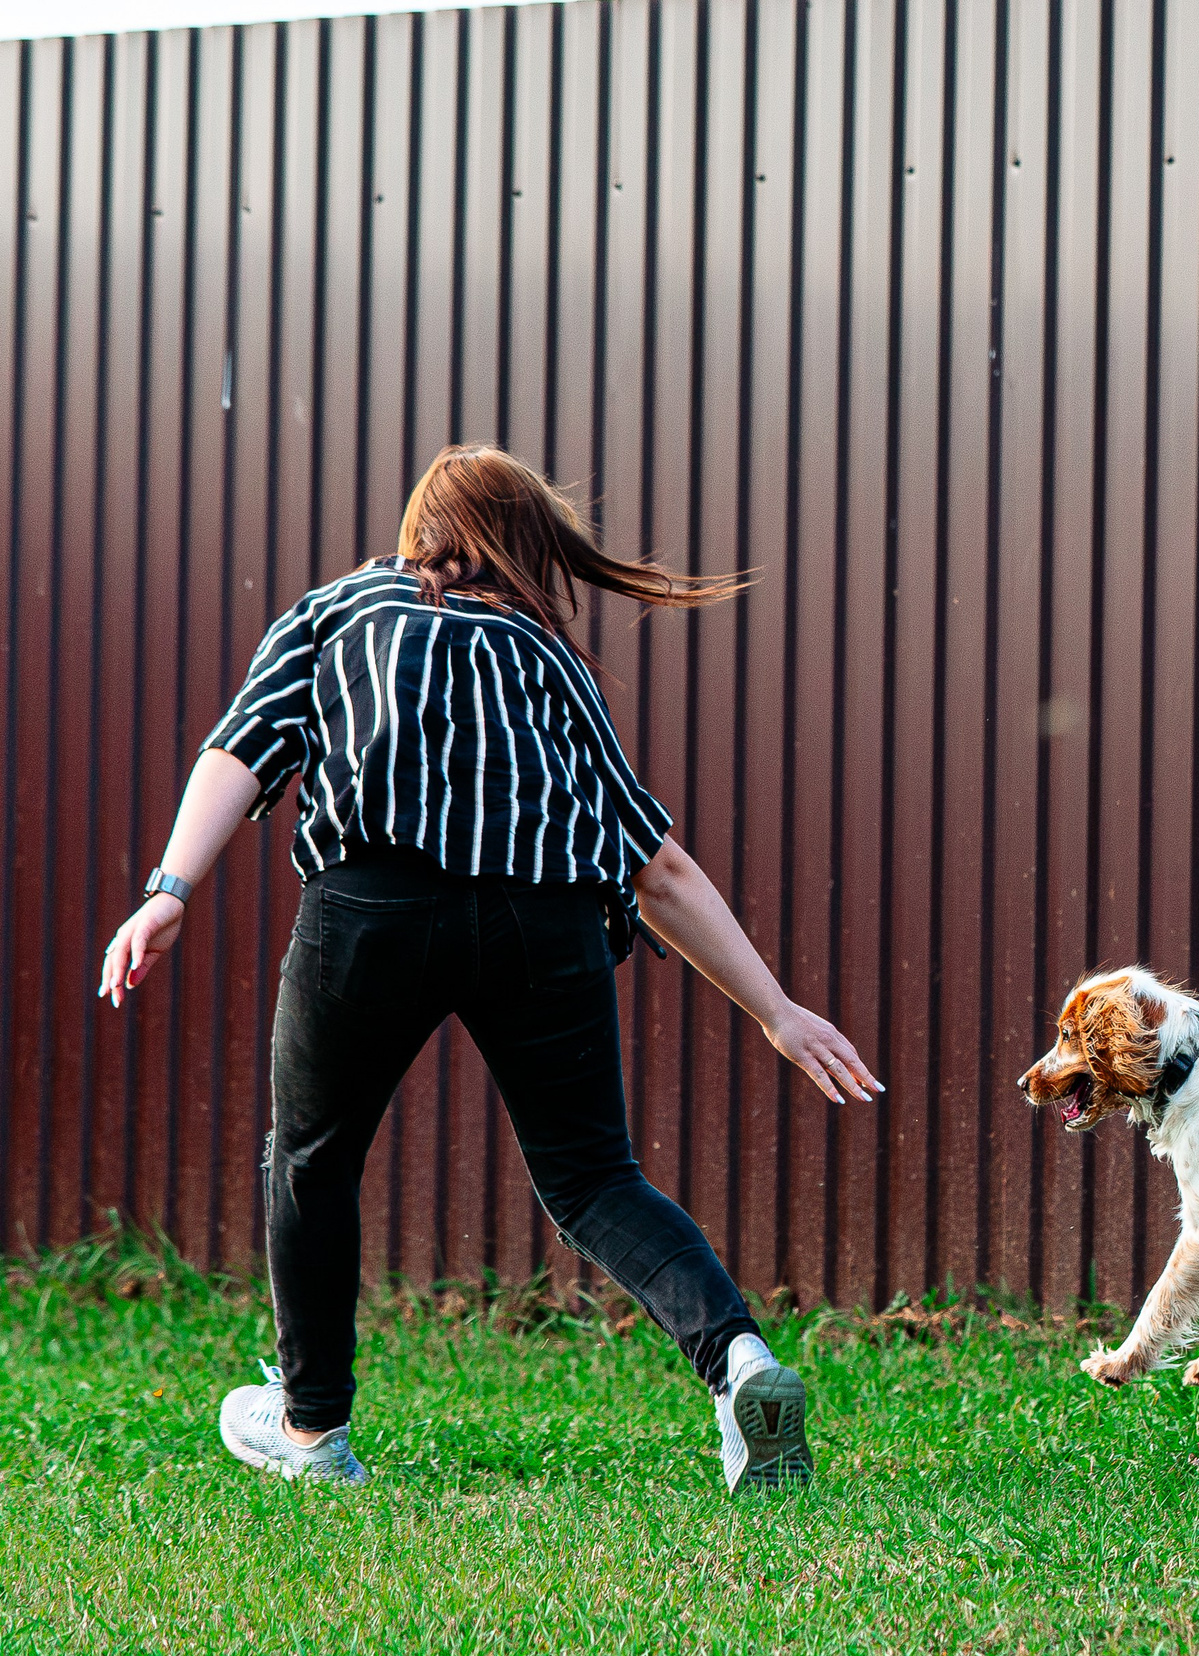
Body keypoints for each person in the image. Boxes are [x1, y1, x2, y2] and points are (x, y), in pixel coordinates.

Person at [97, 444, 879, 1491]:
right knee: (594, 1176)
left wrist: (169, 890)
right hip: (541, 922)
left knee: (312, 1159)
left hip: (370, 911)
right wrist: (775, 1009)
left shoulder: (337, 612)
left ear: (420, 525)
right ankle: (739, 1362)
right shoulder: (543, 652)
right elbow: (657, 866)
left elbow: (240, 749)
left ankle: (313, 1433)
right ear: (524, 540)